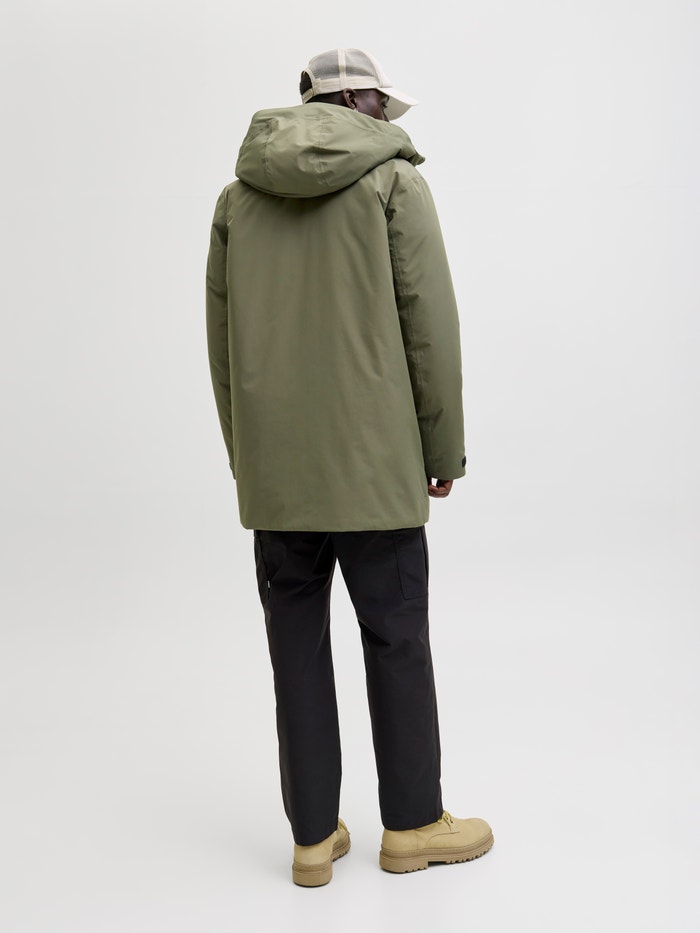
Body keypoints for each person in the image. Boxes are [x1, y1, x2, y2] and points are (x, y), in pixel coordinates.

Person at [206, 48, 493, 886]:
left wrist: (248, 458)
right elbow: (429, 325)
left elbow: (222, 344)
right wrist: (442, 449)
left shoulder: (236, 198)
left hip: (278, 475)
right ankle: (411, 825)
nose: (384, 119)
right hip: (377, 469)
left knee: (294, 647)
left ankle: (310, 837)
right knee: (396, 638)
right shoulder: (394, 184)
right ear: (362, 102)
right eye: (381, 106)